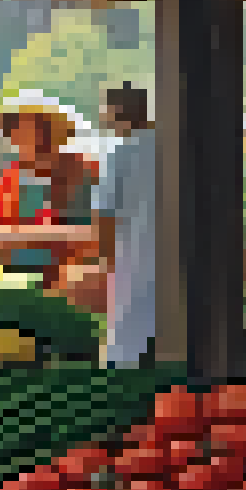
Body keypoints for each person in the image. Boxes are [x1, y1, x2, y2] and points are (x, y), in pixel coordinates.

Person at [0, 92, 99, 284]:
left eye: (31, 129)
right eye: (15, 130)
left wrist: (19, 237)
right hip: (18, 280)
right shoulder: (13, 177)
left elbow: (96, 235)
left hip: (72, 281)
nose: (17, 137)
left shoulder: (82, 171)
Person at [91, 83, 157, 366]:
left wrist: (105, 262)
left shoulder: (122, 154)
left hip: (133, 261)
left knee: (128, 346)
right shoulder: (175, 149)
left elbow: (103, 216)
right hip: (181, 262)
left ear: (117, 111)